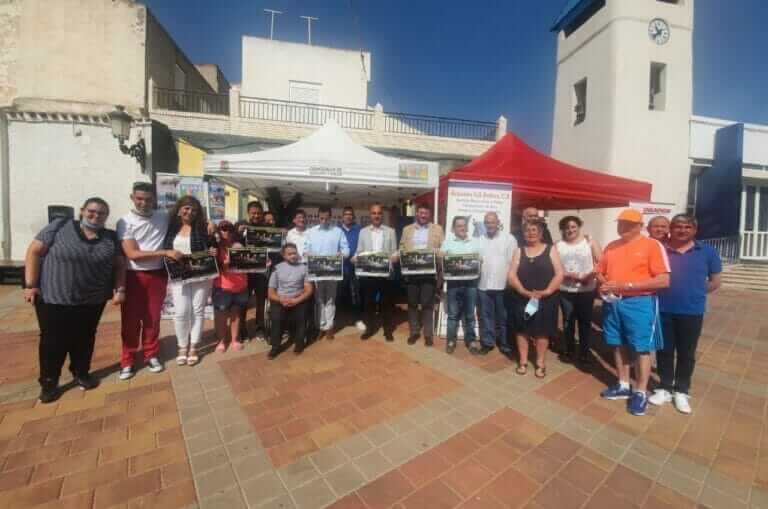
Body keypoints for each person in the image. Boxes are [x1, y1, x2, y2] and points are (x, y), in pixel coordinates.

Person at [23, 198, 126, 403]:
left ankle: (81, 373)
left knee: (85, 338)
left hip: (92, 300)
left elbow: (120, 265)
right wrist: (30, 284)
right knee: (53, 342)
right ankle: (49, 383)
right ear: (82, 211)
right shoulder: (59, 227)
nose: (96, 216)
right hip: (54, 298)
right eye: (92, 212)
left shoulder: (110, 237)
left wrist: (120, 289)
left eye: (102, 213)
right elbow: (33, 251)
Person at [597, 209, 670, 416]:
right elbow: (600, 272)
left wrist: (624, 286)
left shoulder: (652, 245)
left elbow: (663, 280)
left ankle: (640, 391)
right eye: (620, 223)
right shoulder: (612, 246)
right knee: (617, 342)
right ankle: (623, 384)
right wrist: (603, 284)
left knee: (641, 347)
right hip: (613, 302)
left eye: (628, 224)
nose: (623, 227)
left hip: (640, 302)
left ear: (640, 226)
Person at [649, 214, 722, 414]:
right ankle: (664, 387)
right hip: (662, 309)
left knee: (687, 353)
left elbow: (715, 282)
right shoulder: (660, 249)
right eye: (678, 226)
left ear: (694, 230)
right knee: (663, 350)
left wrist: (696, 293)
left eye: (687, 227)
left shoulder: (707, 251)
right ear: (671, 229)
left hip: (692, 311)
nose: (682, 230)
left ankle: (681, 390)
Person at [117, 182, 180, 380]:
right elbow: (132, 254)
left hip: (158, 275)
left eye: (148, 199)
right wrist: (164, 252)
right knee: (130, 322)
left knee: (153, 319)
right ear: (132, 198)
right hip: (134, 276)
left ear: (155, 199)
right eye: (139, 199)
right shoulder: (124, 222)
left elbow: (188, 214)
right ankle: (127, 360)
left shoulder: (163, 215)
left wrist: (209, 223)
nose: (144, 203)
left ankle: (151, 354)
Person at [507, 220, 564, 378]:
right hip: (522, 298)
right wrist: (522, 291)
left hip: (546, 299)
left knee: (542, 332)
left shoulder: (551, 249)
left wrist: (547, 291)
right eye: (527, 231)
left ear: (540, 233)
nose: (530, 233)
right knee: (522, 330)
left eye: (534, 230)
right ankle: (523, 361)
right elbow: (511, 274)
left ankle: (540, 363)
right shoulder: (519, 251)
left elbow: (560, 273)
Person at [163, 196, 214, 366]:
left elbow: (214, 244)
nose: (190, 212)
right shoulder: (170, 228)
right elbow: (166, 248)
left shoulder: (203, 227)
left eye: (194, 210)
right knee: (181, 311)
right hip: (179, 275)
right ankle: (182, 346)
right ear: (179, 209)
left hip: (200, 274)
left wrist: (213, 249)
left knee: (198, 310)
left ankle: (193, 347)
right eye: (186, 208)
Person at [555, 216, 602, 364]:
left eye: (573, 227)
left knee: (584, 321)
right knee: (568, 321)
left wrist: (589, 276)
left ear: (579, 227)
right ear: (563, 229)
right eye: (567, 227)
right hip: (565, 289)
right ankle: (569, 349)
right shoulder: (558, 245)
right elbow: (554, 265)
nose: (570, 230)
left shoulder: (590, 242)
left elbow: (601, 263)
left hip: (586, 289)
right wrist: (566, 274)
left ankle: (584, 351)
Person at [400, 203, 445, 346]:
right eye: (420, 212)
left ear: (429, 215)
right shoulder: (407, 229)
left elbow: (443, 249)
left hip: (429, 273)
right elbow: (401, 247)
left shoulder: (438, 229)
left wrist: (431, 254)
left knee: (427, 304)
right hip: (411, 273)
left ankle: (428, 334)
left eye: (426, 213)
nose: (423, 215)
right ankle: (414, 332)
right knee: (412, 304)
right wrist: (403, 254)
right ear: (416, 214)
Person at [475, 211, 517, 357]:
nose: (490, 225)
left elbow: (514, 262)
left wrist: (510, 282)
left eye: (492, 222)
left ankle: (505, 344)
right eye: (487, 222)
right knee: (486, 316)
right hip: (483, 284)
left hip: (502, 285)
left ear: (498, 222)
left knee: (503, 317)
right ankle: (488, 343)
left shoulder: (509, 239)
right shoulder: (479, 239)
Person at [354, 203, 398, 341]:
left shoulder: (391, 231)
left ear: (382, 215)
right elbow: (359, 251)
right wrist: (355, 257)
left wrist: (395, 256)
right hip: (369, 274)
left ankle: (388, 330)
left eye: (379, 213)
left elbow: (394, 251)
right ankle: (370, 328)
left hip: (385, 274)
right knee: (369, 303)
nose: (376, 215)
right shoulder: (363, 232)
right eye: (374, 213)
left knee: (386, 304)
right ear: (370, 215)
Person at [305, 205, 350, 340]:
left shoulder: (338, 232)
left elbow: (346, 249)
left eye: (326, 218)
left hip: (332, 271)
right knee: (319, 300)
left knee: (330, 300)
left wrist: (341, 254)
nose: (324, 221)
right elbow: (305, 249)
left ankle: (329, 327)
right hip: (316, 272)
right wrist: (308, 254)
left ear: (330, 217)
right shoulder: (311, 232)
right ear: (318, 217)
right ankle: (321, 327)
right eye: (321, 218)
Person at [440, 216, 481, 354]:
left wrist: (479, 259)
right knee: (453, 315)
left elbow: (480, 260)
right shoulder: (447, 243)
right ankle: (451, 341)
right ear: (453, 229)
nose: (462, 228)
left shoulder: (475, 242)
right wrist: (441, 256)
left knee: (470, 314)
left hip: (471, 284)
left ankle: (471, 341)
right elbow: (442, 261)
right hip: (453, 284)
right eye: (459, 226)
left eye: (464, 225)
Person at [268, 243, 314, 358]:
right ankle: (275, 346)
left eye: (295, 253)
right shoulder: (277, 268)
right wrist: (281, 299)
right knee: (277, 319)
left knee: (301, 316)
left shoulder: (304, 268)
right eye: (290, 254)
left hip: (298, 298)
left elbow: (309, 290)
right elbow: (270, 292)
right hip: (280, 299)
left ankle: (299, 343)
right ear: (284, 255)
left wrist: (297, 300)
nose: (293, 256)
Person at [212, 220, 248, 354]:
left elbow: (251, 261)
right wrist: (223, 263)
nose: (226, 231)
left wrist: (262, 262)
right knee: (221, 316)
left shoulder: (240, 245)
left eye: (229, 229)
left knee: (236, 315)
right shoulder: (214, 248)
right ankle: (221, 341)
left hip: (240, 286)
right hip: (222, 287)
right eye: (223, 228)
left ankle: (235, 339)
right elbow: (211, 267)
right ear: (218, 231)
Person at [236, 201, 267, 341]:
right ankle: (241, 329)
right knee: (243, 302)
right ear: (248, 213)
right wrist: (238, 234)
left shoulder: (267, 228)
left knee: (261, 301)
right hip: (245, 273)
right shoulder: (240, 227)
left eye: (259, 213)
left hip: (261, 272)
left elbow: (273, 246)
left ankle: (260, 327)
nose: (256, 215)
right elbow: (232, 243)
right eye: (253, 213)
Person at [339, 206, 365, 331]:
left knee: (356, 294)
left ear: (353, 217)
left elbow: (363, 246)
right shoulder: (337, 230)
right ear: (342, 217)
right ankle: (339, 319)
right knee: (340, 294)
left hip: (356, 267)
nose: (348, 216)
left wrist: (357, 256)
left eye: (350, 214)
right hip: (341, 268)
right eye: (346, 214)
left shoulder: (359, 230)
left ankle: (357, 319)